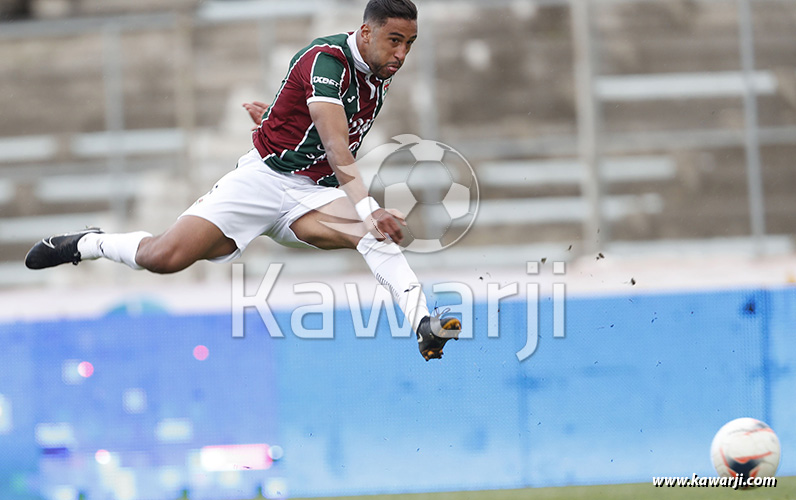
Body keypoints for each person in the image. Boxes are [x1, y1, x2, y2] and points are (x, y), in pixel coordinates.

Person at [24, 0, 460, 361]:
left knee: (372, 235)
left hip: (311, 197)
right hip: (261, 182)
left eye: (410, 44)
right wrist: (369, 206)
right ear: (366, 33)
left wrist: (274, 120)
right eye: (395, 40)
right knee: (163, 257)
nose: (402, 53)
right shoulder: (327, 59)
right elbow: (334, 142)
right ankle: (87, 243)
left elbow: (308, 122)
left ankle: (422, 323)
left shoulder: (378, 77)